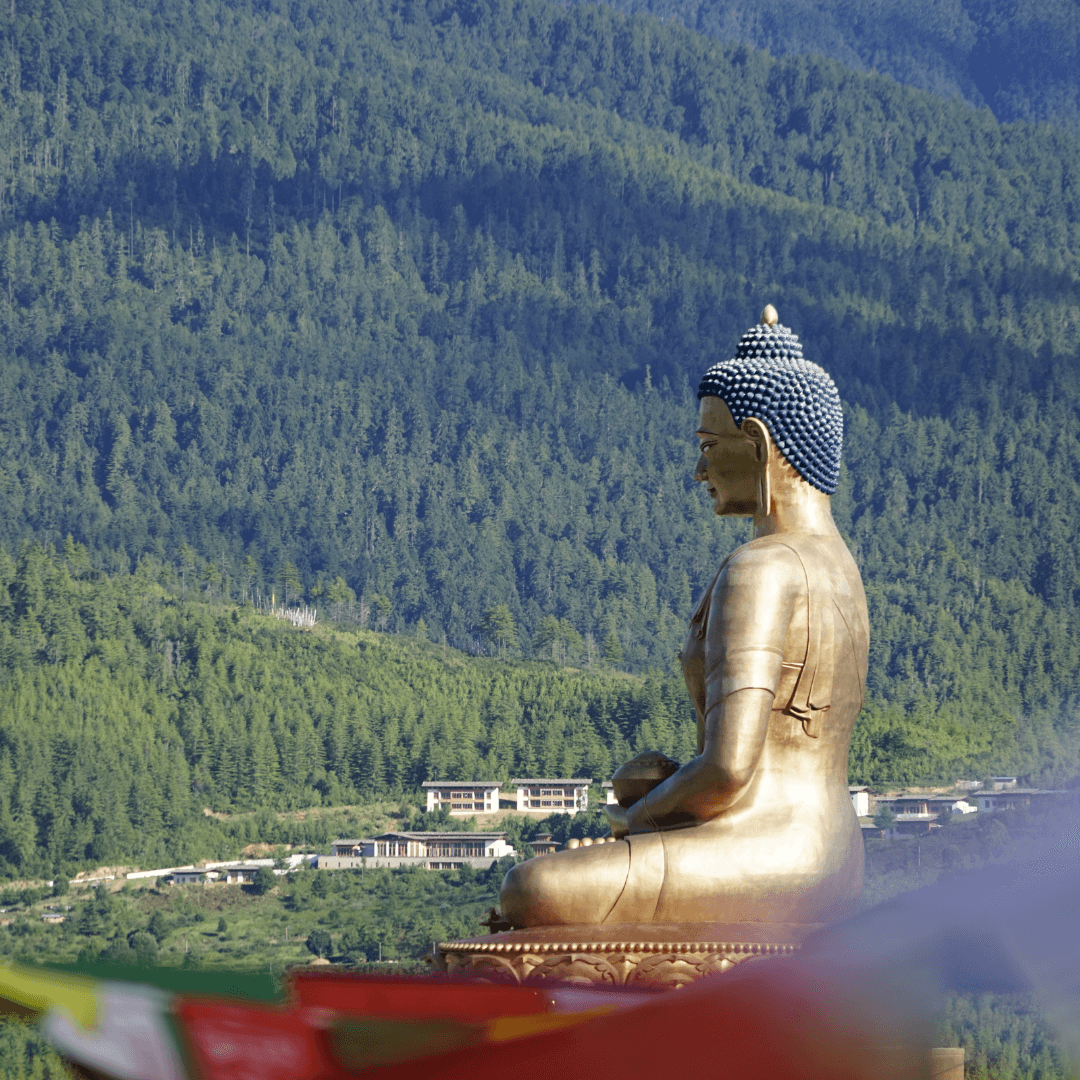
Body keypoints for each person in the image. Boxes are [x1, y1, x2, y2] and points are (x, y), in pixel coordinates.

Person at [499, 307, 868, 928]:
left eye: (707, 446)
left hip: (771, 849)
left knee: (531, 889)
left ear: (757, 443)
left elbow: (727, 770)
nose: (699, 470)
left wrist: (632, 820)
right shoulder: (840, 567)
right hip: (833, 850)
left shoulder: (762, 568)